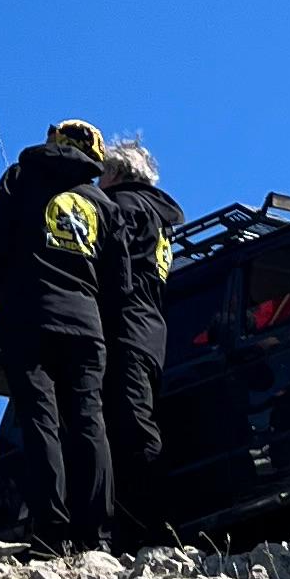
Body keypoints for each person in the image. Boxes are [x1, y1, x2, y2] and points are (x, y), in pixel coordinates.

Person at [0, 120, 117, 550]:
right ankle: (98, 537)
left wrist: (7, 295)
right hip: (86, 325)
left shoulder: (20, 178)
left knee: (40, 420)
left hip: (28, 318)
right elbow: (119, 279)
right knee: (90, 421)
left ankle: (51, 530)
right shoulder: (101, 203)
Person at [97, 138, 186, 550]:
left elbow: (106, 270)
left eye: (102, 174)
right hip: (151, 335)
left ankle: (149, 531)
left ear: (116, 174)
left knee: (131, 431)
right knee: (138, 424)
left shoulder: (125, 210)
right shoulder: (157, 219)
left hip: (124, 331)